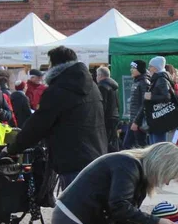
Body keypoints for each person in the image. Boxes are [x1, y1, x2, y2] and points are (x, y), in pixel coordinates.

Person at [6, 46, 106, 192]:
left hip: (71, 159)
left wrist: (14, 147)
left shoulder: (57, 90)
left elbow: (37, 125)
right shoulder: (93, 87)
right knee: (90, 207)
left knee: (75, 210)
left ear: (56, 65)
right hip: (97, 154)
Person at [132, 56, 176, 145]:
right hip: (155, 119)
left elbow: (167, 97)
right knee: (154, 146)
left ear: (156, 68)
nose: (149, 69)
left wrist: (151, 97)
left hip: (159, 119)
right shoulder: (156, 79)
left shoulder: (161, 79)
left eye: (150, 66)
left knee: (157, 147)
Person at [123, 60, 149, 149]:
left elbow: (145, 104)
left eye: (133, 68)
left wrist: (136, 122)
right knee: (128, 146)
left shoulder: (144, 82)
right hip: (133, 120)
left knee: (140, 147)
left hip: (139, 122)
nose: (131, 70)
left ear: (139, 69)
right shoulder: (137, 81)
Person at [96, 66, 121, 153]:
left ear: (100, 75)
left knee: (105, 141)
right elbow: (117, 103)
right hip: (115, 116)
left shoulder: (102, 86)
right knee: (114, 140)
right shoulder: (114, 86)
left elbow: (103, 105)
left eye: (97, 75)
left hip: (106, 118)